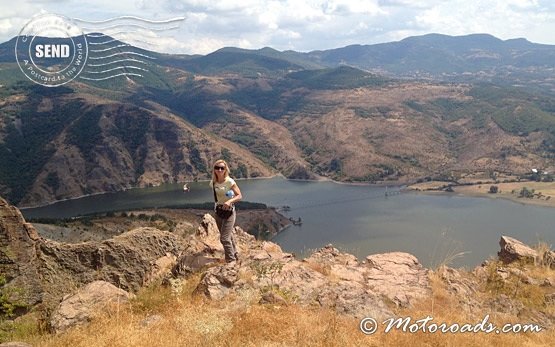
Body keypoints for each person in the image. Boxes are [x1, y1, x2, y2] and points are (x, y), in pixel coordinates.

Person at [210, 159, 242, 263]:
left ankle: (231, 261)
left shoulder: (229, 181)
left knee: (224, 238)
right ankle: (235, 254)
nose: (219, 170)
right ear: (214, 169)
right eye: (217, 168)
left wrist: (229, 201)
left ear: (225, 170)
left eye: (222, 168)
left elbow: (239, 196)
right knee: (228, 236)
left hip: (229, 212)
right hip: (218, 212)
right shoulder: (213, 182)